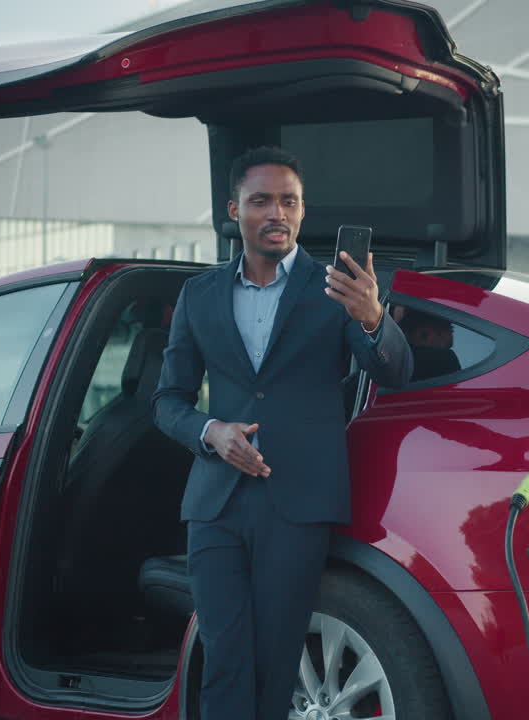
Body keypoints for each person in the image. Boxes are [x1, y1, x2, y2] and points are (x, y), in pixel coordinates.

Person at [151, 146, 412, 720]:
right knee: (223, 657)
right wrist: (211, 431)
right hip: (215, 505)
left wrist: (372, 317)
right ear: (234, 211)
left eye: (289, 201)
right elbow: (167, 402)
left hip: (297, 504)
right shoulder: (199, 295)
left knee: (275, 658)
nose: (277, 213)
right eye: (261, 201)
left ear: (302, 210)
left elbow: (395, 373)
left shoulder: (336, 288)